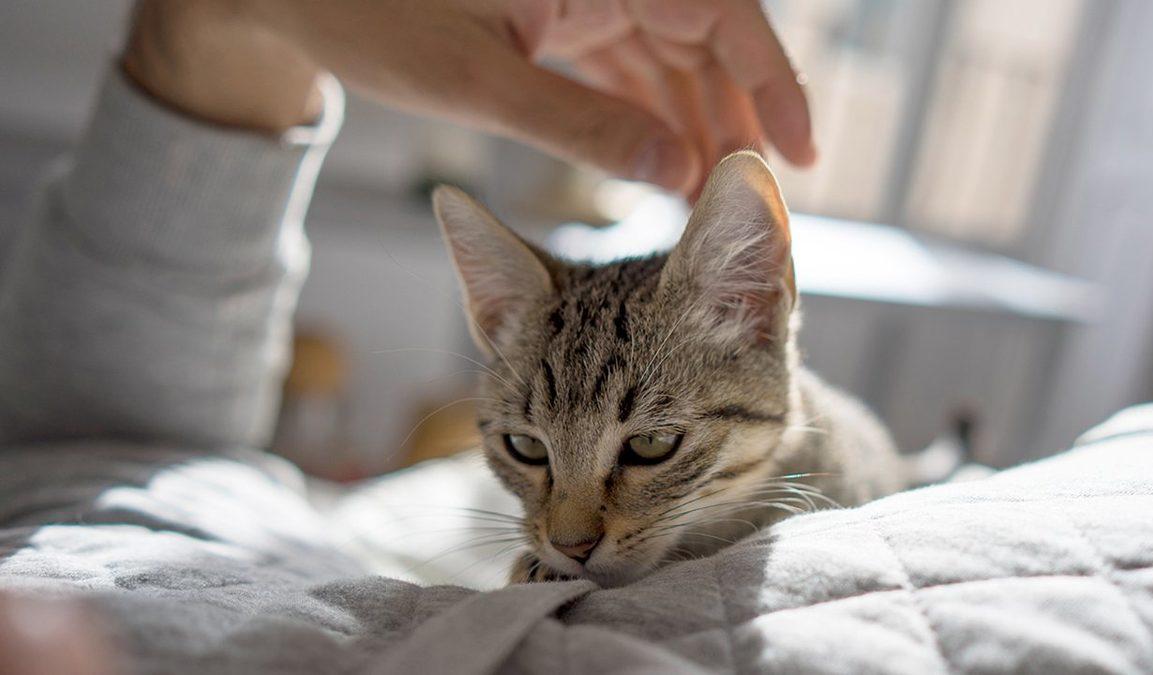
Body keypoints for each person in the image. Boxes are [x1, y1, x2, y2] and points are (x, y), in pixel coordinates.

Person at [0, 1, 813, 672]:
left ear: (751, 312)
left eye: (651, 445)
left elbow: (104, 423)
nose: (568, 532)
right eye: (528, 453)